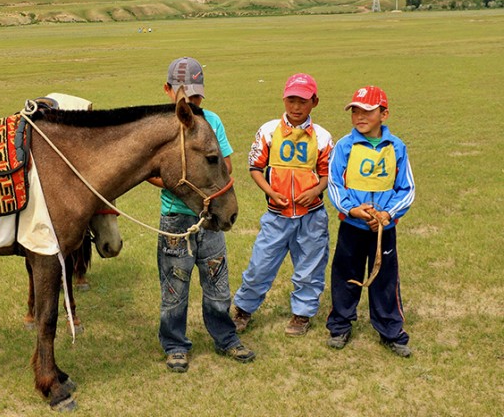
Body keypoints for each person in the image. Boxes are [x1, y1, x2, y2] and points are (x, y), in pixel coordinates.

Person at [148, 56, 255, 373]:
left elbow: (226, 164)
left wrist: (202, 181)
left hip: (210, 216)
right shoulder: (159, 127)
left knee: (217, 280)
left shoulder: (212, 122)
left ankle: (226, 337)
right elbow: (150, 172)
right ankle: (175, 344)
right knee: (173, 286)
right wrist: (177, 183)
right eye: (186, 97)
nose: (192, 103)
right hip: (175, 219)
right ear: (168, 90)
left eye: (196, 97)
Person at [230, 73, 334, 337]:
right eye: (291, 100)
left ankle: (302, 315)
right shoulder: (268, 131)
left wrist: (314, 191)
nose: (296, 107)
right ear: (284, 99)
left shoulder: (322, 137)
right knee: (259, 266)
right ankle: (242, 310)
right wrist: (270, 192)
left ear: (315, 102)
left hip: (311, 217)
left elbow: (327, 174)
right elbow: (255, 167)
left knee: (309, 268)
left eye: (303, 101)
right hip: (276, 216)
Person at [325, 86, 416, 357]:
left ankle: (390, 330)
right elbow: (334, 183)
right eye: (355, 111)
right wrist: (353, 210)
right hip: (352, 226)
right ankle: (340, 325)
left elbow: (407, 188)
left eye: (367, 111)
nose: (359, 116)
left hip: (384, 229)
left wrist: (387, 214)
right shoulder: (344, 146)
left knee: (385, 278)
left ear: (384, 114)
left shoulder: (396, 147)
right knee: (345, 275)